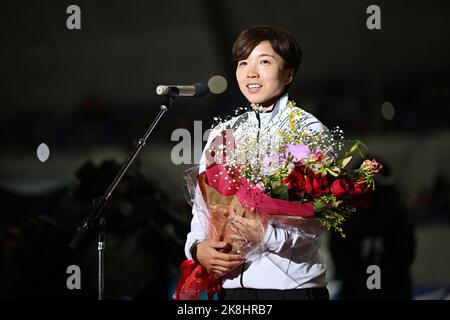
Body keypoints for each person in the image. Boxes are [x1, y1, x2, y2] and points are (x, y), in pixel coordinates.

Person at [184, 25, 329, 300]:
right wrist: (197, 247)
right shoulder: (223, 133)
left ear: (288, 74)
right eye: (243, 63)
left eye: (264, 62)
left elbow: (319, 218)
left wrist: (266, 234)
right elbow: (202, 208)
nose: (251, 72)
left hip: (291, 289)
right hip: (231, 289)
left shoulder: (308, 131)